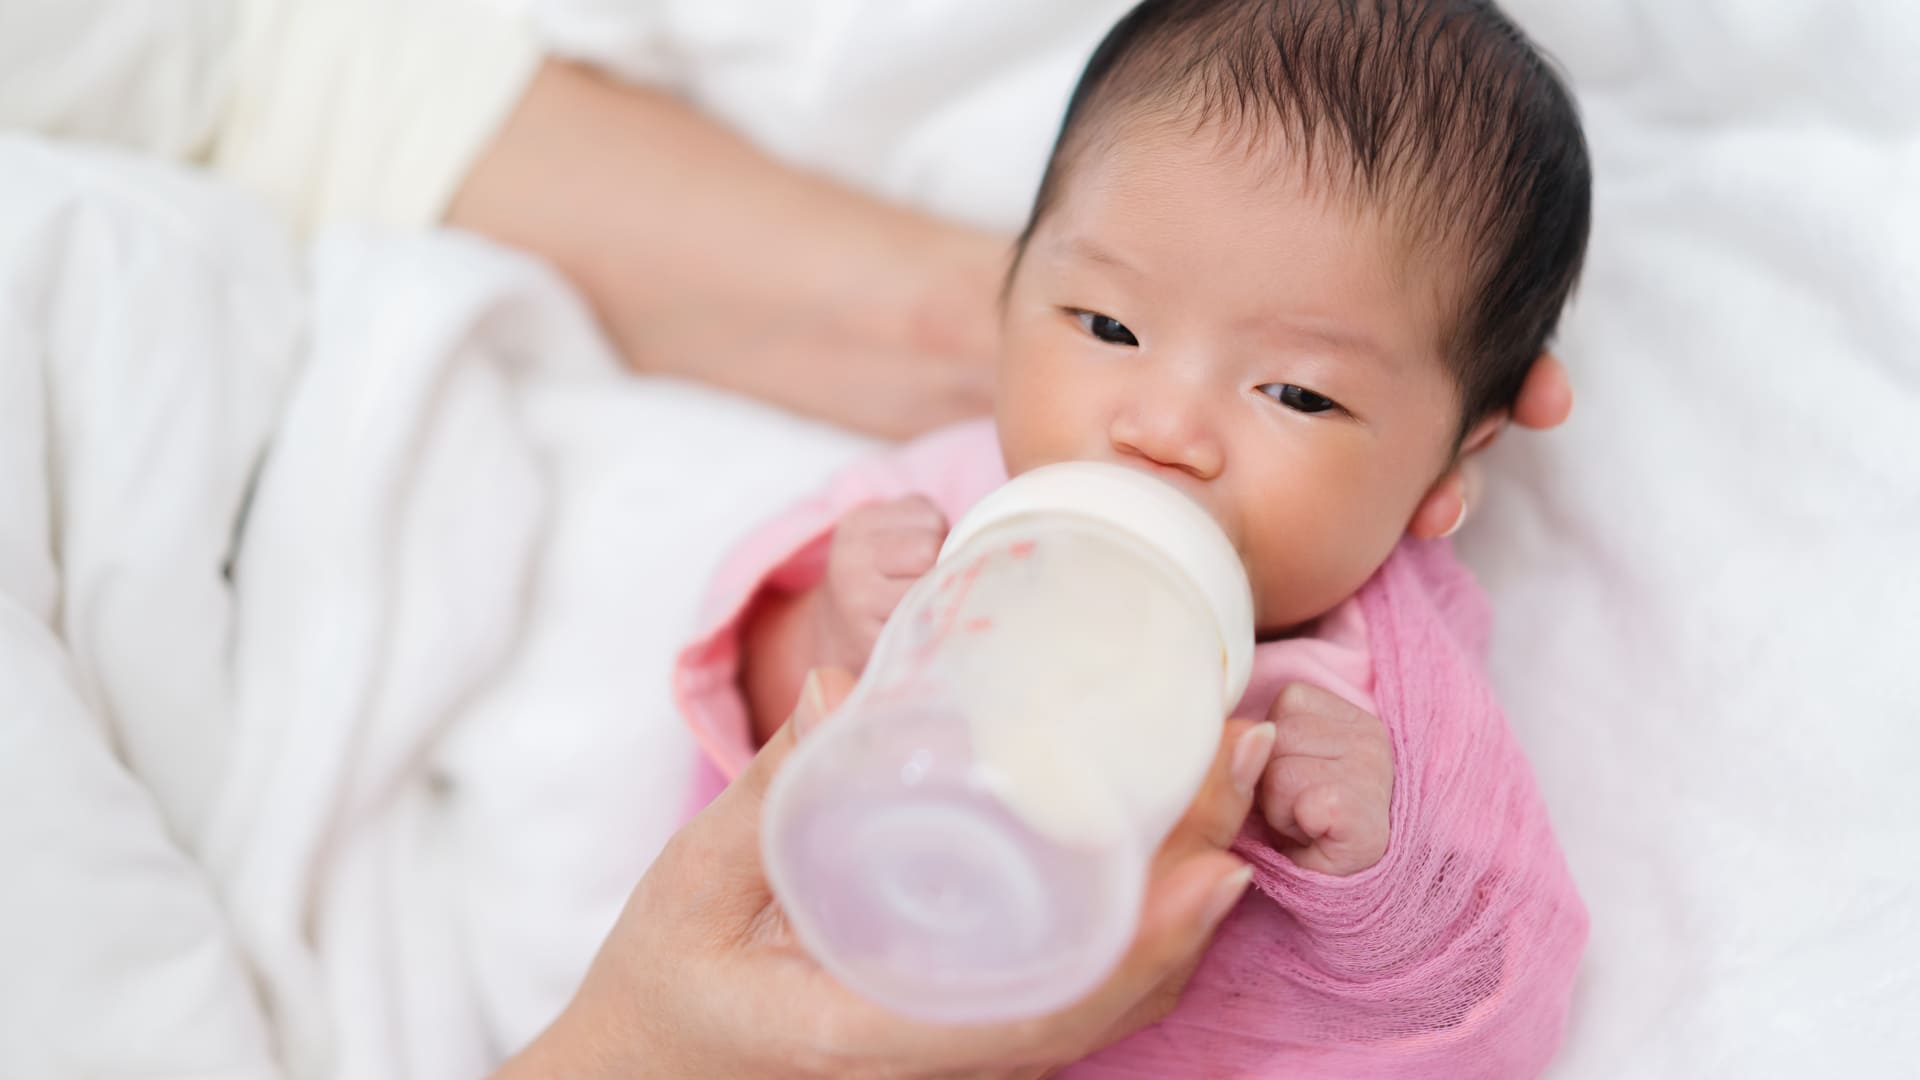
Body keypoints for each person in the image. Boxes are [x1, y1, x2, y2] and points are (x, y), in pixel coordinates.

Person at [671, 0, 1590, 1074]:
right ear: (1012, 284)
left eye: (1296, 393)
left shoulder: (1387, 687)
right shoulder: (944, 516)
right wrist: (829, 634)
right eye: (1108, 327)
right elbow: (734, 733)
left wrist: (1384, 870)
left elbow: (1503, 992)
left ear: (1444, 469)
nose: (1163, 431)